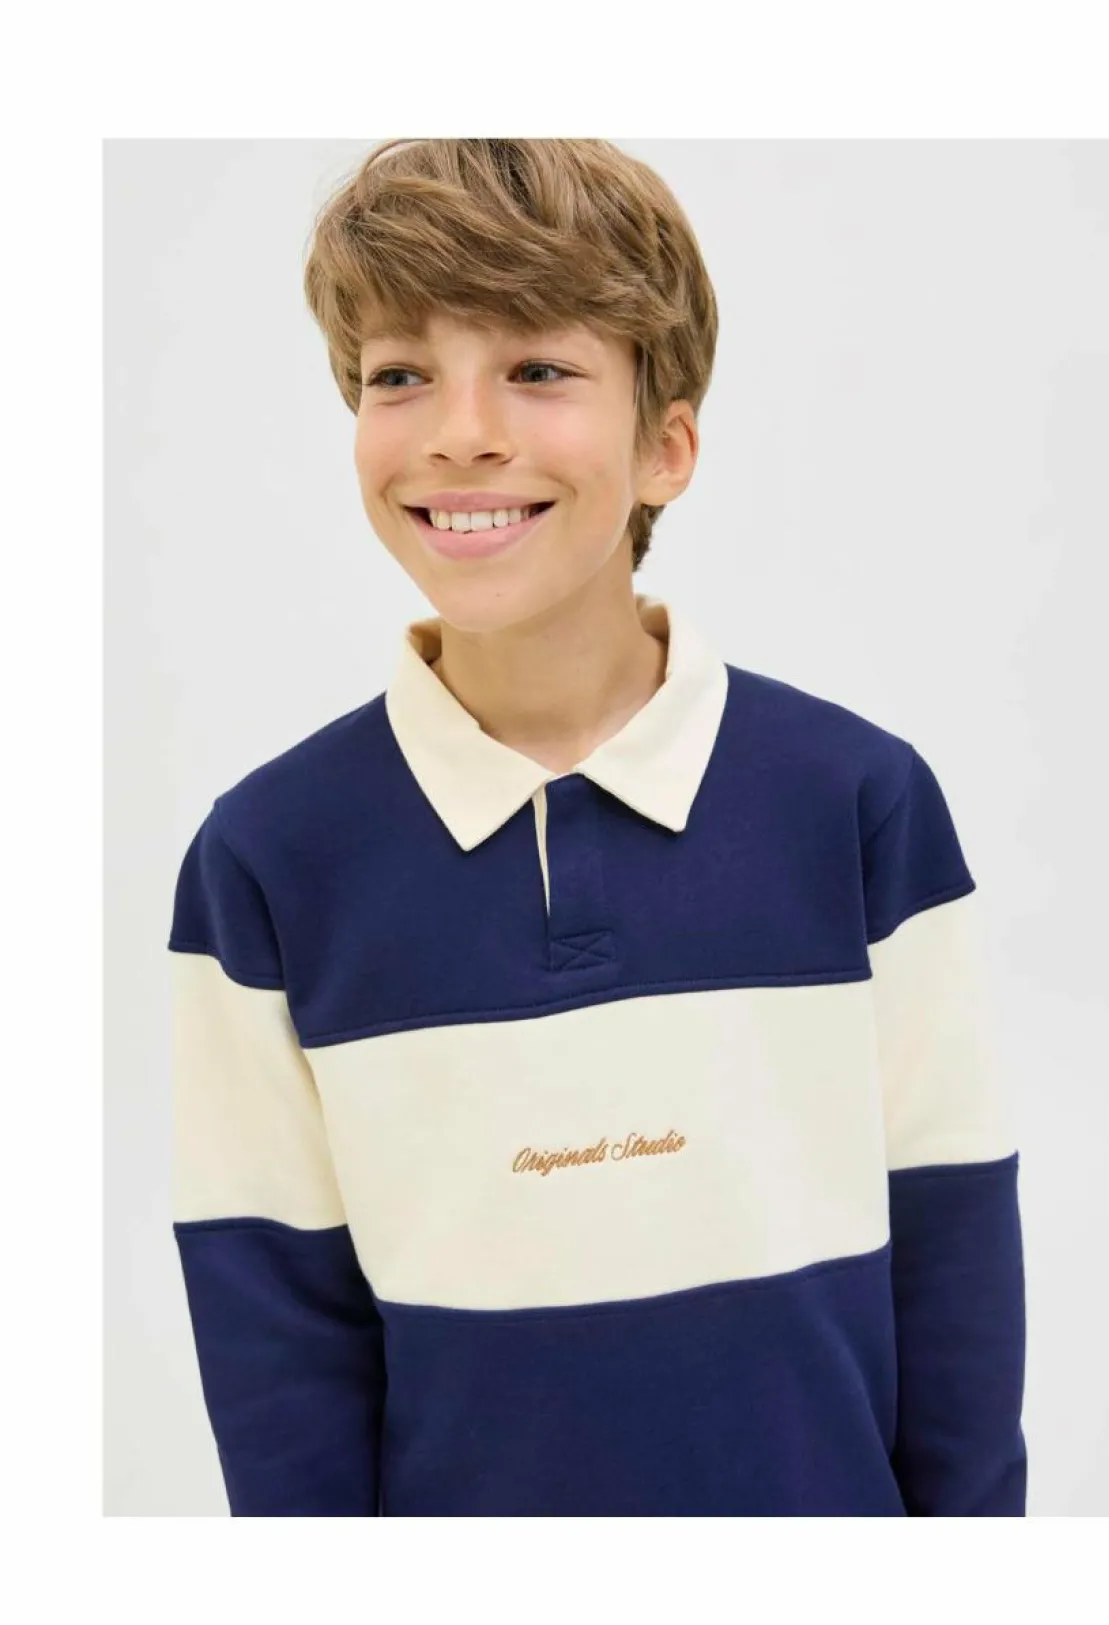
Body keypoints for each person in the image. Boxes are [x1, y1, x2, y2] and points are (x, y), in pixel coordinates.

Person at [167, 138, 1027, 1516]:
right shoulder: (268, 861)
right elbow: (278, 1353)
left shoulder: (859, 805)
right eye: (401, 375)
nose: (460, 430)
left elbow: (957, 1271)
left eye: (536, 368)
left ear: (666, 448)